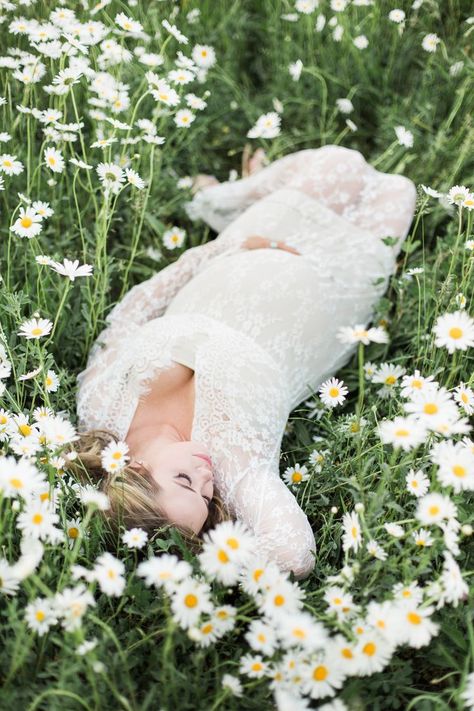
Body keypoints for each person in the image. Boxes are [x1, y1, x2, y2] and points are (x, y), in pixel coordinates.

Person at [73, 144, 417, 580]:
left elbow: (129, 316)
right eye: (205, 496)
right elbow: (295, 556)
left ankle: (220, 196)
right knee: (400, 190)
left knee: (342, 163)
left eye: (183, 480)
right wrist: (209, 568)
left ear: (136, 470)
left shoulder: (101, 408)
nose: (203, 476)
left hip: (246, 252)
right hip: (332, 288)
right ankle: (236, 191)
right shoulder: (235, 467)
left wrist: (220, 250)